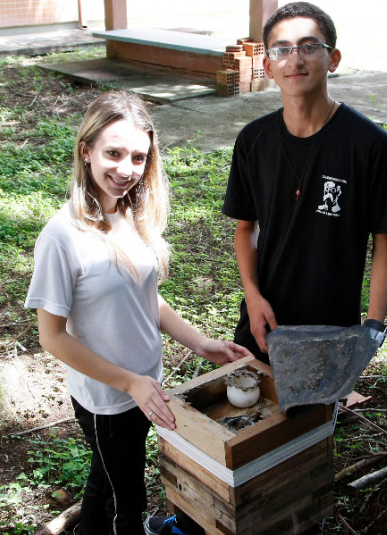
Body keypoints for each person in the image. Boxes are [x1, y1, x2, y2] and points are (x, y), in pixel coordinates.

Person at [25, 90, 250, 535]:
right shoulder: (62, 235)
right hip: (109, 399)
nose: (126, 170)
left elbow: (146, 299)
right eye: (113, 153)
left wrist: (200, 342)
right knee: (125, 498)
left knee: (105, 481)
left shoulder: (130, 215)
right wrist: (129, 383)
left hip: (146, 386)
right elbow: (51, 337)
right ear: (86, 151)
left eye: (138, 157)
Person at [223, 1, 387, 363]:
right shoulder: (253, 141)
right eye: (282, 50)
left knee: (317, 419)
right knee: (250, 413)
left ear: (333, 59)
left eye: (310, 46)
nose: (296, 60)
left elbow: (383, 241)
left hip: (331, 330)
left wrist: (373, 325)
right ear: (268, 66)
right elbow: (246, 229)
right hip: (263, 323)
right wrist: (254, 297)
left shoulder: (368, 143)